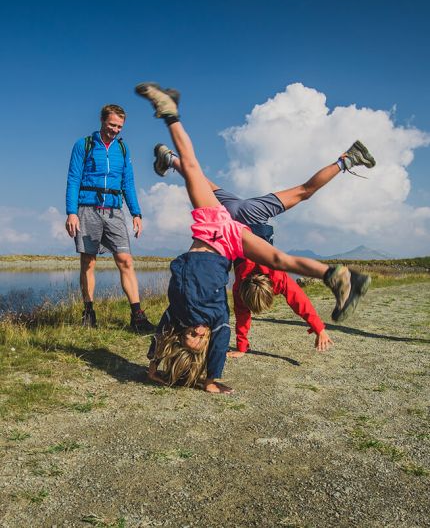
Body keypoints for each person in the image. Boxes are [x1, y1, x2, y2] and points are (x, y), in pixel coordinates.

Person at [135, 82, 371, 394]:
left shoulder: (185, 314)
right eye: (199, 338)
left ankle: (170, 133)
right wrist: (211, 379)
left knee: (199, 173)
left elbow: (171, 329)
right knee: (294, 207)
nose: (198, 332)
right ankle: (336, 270)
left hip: (223, 224)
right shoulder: (221, 310)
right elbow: (228, 329)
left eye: (191, 337)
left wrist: (155, 364)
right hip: (234, 224)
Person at [151, 140, 376, 356]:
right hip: (230, 213)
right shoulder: (241, 285)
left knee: (304, 191)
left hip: (246, 214)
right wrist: (241, 346)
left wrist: (319, 328)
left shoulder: (275, 278)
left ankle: (345, 160)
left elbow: (300, 304)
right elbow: (245, 314)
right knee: (200, 182)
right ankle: (170, 158)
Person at [65, 103, 155, 334]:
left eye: (120, 126)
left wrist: (136, 213)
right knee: (88, 262)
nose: (115, 130)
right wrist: (71, 212)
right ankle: (89, 313)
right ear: (102, 121)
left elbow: (128, 184)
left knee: (126, 261)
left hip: (115, 211)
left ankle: (137, 316)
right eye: (112, 125)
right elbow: (73, 178)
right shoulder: (83, 145)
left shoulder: (123, 150)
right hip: (87, 209)